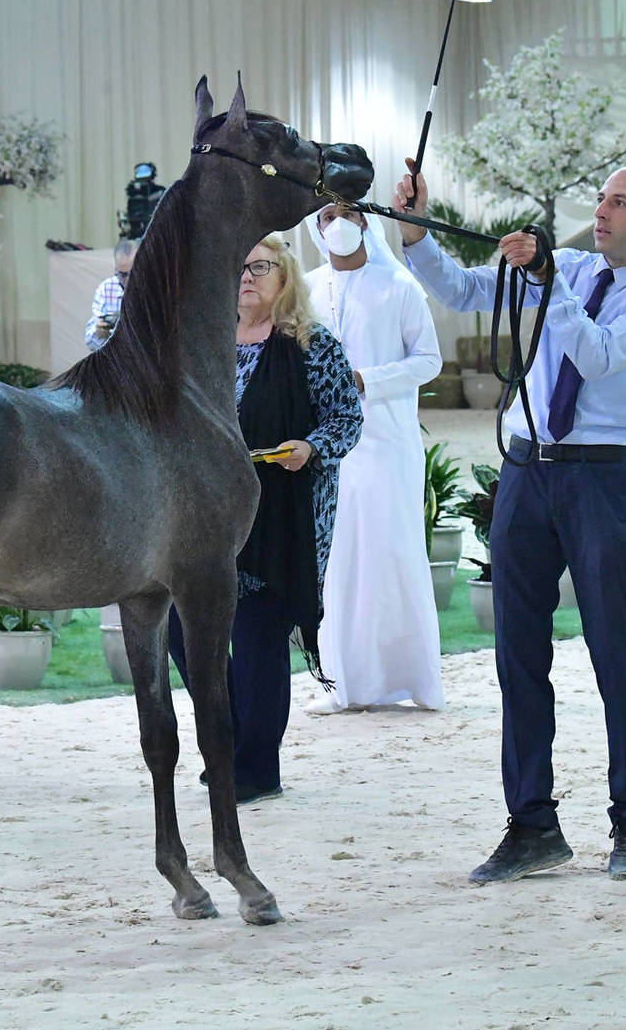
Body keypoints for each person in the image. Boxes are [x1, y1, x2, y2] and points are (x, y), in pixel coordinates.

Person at [394, 161, 626, 883]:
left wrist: (549, 278)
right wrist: (416, 234)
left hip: (599, 477)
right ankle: (531, 823)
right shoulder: (574, 267)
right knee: (517, 654)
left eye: (620, 202)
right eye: (600, 197)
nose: (602, 210)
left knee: (613, 650)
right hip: (527, 470)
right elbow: (464, 289)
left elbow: (594, 354)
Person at [165, 233, 362, 803]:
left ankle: (257, 769)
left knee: (257, 637)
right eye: (237, 267)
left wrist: (310, 447)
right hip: (205, 511)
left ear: (285, 278)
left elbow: (346, 418)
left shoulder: (311, 342)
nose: (245, 277)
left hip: (284, 514)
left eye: (259, 267)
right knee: (182, 626)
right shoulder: (204, 343)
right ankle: (231, 742)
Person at [302, 202, 443, 714]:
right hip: (327, 447)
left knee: (391, 552)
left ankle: (413, 678)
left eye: (347, 214)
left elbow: (429, 360)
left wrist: (368, 380)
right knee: (337, 559)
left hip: (387, 442)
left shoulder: (399, 286)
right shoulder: (309, 288)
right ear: (315, 230)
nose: (337, 224)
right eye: (325, 217)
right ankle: (346, 682)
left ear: (366, 221)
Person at [84, 239, 139, 352]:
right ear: (115, 270)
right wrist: (98, 333)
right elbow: (90, 343)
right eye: (123, 275)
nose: (128, 281)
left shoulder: (156, 287)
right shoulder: (105, 289)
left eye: (133, 274)